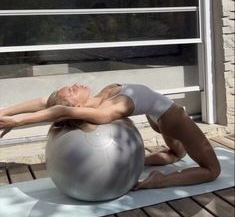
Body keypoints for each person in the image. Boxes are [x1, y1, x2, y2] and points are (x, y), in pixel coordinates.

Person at [0, 83, 221, 189]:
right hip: (171, 117)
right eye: (72, 91)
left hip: (157, 117)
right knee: (212, 170)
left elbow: (42, 102)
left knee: (176, 154)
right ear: (77, 105)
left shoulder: (96, 101)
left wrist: (5, 113)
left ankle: (142, 162)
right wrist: (16, 122)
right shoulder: (105, 112)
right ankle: (159, 181)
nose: (74, 86)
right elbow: (59, 111)